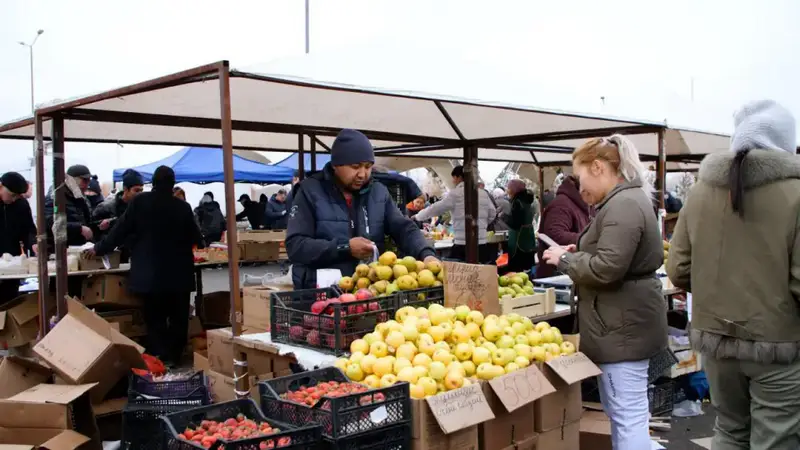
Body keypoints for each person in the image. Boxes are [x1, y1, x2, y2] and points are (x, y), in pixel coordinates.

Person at [667, 100, 800, 450]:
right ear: (786, 141)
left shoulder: (699, 192)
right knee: (776, 438)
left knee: (728, 431)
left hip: (715, 342)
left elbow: (678, 269)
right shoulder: (796, 194)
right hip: (778, 347)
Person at [543, 134, 667, 450]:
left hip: (621, 329)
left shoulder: (624, 204)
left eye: (580, 175)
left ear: (597, 167)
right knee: (627, 414)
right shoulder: (625, 200)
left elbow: (608, 268)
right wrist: (582, 250)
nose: (579, 185)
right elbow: (613, 256)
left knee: (627, 421)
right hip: (622, 324)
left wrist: (567, 259)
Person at [286, 129, 439, 289]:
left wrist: (426, 254)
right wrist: (344, 247)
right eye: (355, 166)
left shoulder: (378, 192)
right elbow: (296, 246)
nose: (362, 174)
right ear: (336, 165)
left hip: (368, 291)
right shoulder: (309, 191)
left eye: (368, 166)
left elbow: (403, 228)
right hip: (321, 293)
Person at [88, 166, 203, 365]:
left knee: (155, 317)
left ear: (154, 183)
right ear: (172, 183)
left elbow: (119, 231)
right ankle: (175, 356)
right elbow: (198, 239)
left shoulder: (140, 202)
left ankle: (159, 356)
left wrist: (99, 248)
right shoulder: (182, 207)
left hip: (150, 273)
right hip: (179, 273)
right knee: (179, 317)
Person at [413, 166, 497, 263]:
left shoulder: (455, 194)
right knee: (481, 273)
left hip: (463, 244)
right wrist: (482, 224)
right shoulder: (483, 193)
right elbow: (492, 213)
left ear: (458, 177)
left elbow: (436, 208)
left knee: (460, 273)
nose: (453, 181)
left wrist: (418, 216)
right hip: (481, 243)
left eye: (454, 178)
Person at [535, 175, 591, 278]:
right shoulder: (561, 205)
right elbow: (555, 234)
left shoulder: (580, 203)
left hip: (571, 268)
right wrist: (589, 238)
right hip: (556, 275)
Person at [0, 172, 37, 304]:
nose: (14, 199)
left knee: (9, 302)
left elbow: (30, 230)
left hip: (12, 265)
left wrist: (33, 243)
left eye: (18, 196)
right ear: (1, 187)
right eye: (13, 195)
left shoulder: (21, 205)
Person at [44, 164, 95, 247]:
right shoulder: (55, 197)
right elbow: (51, 222)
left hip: (76, 248)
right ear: (71, 180)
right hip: (59, 250)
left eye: (89, 181)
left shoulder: (80, 198)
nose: (87, 185)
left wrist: (99, 225)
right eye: (84, 180)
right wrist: (79, 228)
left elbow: (85, 222)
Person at [93, 169, 144, 235]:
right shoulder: (105, 208)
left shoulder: (140, 208)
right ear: (125, 189)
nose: (140, 194)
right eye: (136, 190)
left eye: (141, 190)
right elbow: (93, 230)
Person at [503, 179, 536, 273]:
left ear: (514, 189)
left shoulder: (517, 202)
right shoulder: (529, 200)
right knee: (527, 269)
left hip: (518, 241)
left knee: (516, 270)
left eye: (509, 188)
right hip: (528, 238)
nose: (508, 190)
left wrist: (504, 217)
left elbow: (515, 224)